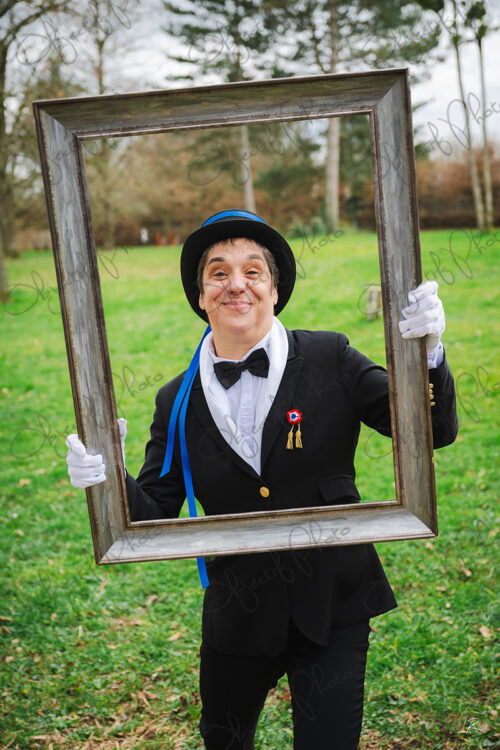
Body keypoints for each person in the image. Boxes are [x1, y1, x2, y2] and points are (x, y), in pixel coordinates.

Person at [66, 209, 458, 750]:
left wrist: (428, 354)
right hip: (238, 613)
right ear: (201, 296)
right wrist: (108, 476)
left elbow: (433, 430)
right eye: (218, 273)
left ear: (275, 290)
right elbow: (153, 516)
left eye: (253, 271)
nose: (236, 284)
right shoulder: (176, 400)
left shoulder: (330, 356)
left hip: (333, 603)